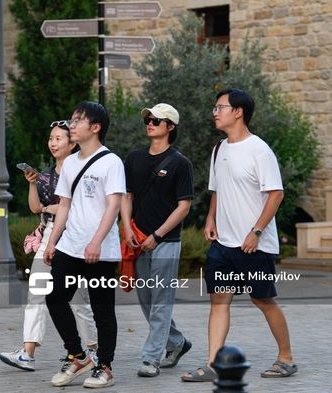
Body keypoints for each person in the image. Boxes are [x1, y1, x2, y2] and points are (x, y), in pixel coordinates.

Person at [182, 88, 297, 382]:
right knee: (218, 301)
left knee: (263, 300)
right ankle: (213, 363)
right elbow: (218, 190)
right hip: (223, 243)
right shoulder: (219, 149)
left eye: (220, 107)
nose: (215, 112)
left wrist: (256, 232)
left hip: (253, 244)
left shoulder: (259, 150)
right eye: (215, 107)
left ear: (238, 112)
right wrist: (210, 218)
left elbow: (276, 194)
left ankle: (286, 358)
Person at [0, 122, 98, 372]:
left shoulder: (81, 172)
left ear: (72, 143)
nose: (53, 143)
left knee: (77, 299)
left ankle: (93, 350)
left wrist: (54, 208)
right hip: (48, 235)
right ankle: (27, 353)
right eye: (51, 138)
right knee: (36, 294)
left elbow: (79, 206)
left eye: (58, 139)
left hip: (74, 237)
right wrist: (32, 183)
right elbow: (35, 208)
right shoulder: (46, 174)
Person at [44, 101, 125, 389]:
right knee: (54, 298)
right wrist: (52, 242)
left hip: (100, 251)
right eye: (72, 119)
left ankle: (105, 366)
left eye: (78, 120)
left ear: (96, 127)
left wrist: (96, 241)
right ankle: (77, 355)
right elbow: (64, 205)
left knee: (103, 309)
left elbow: (113, 205)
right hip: (71, 245)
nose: (72, 125)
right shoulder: (70, 163)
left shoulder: (111, 162)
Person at [120, 103, 194, 378]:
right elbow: (126, 196)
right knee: (147, 301)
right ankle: (176, 342)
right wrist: (127, 228)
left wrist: (158, 235)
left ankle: (151, 358)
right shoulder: (134, 158)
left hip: (166, 241)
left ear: (170, 127)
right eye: (148, 119)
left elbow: (183, 206)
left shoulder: (180, 163)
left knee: (161, 300)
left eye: (156, 120)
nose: (150, 123)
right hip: (137, 239)